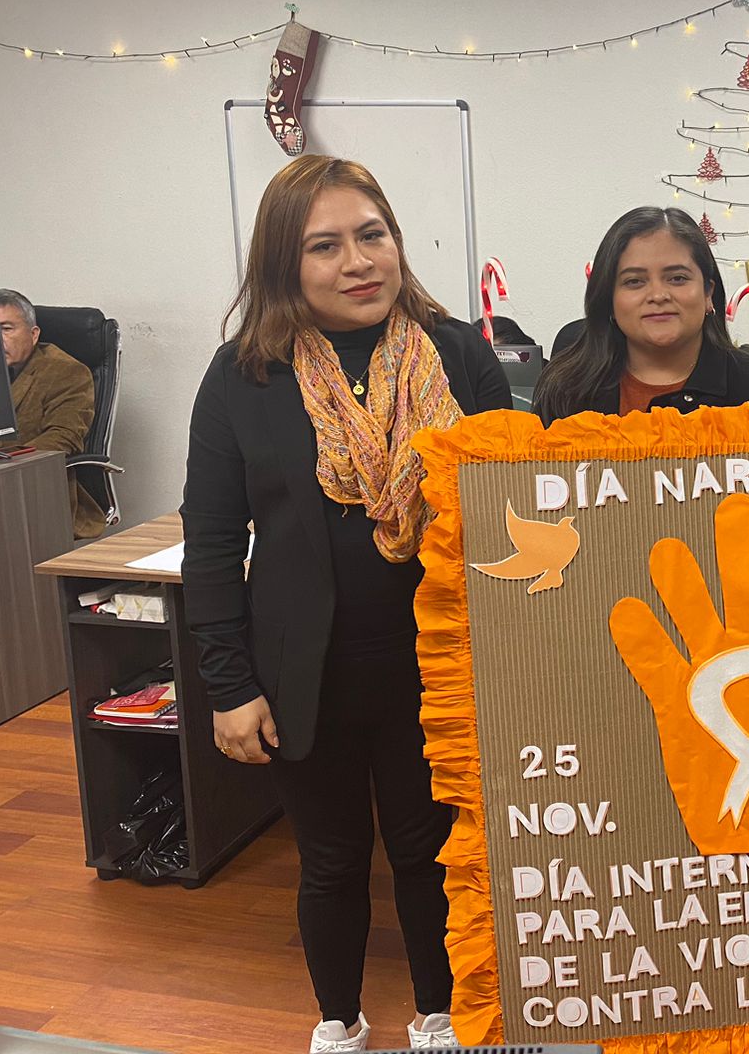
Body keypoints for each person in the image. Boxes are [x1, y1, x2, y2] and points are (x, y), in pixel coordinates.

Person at [181, 157, 511, 1053]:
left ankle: (439, 1016)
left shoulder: (458, 355)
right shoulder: (244, 377)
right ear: (283, 265)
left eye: (373, 235)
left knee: (428, 854)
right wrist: (228, 686)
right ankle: (340, 1021)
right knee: (329, 862)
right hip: (306, 673)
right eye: (324, 246)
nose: (358, 261)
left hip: (438, 667)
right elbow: (212, 543)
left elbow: (512, 511)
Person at [535, 205, 749, 420]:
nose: (658, 295)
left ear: (707, 293)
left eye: (677, 278)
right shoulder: (565, 390)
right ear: (609, 299)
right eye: (634, 281)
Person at [0, 288, 105, 537]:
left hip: (35, 491)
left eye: (6, 329)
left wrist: (6, 463)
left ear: (34, 334)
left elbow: (63, 438)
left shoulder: (65, 372)